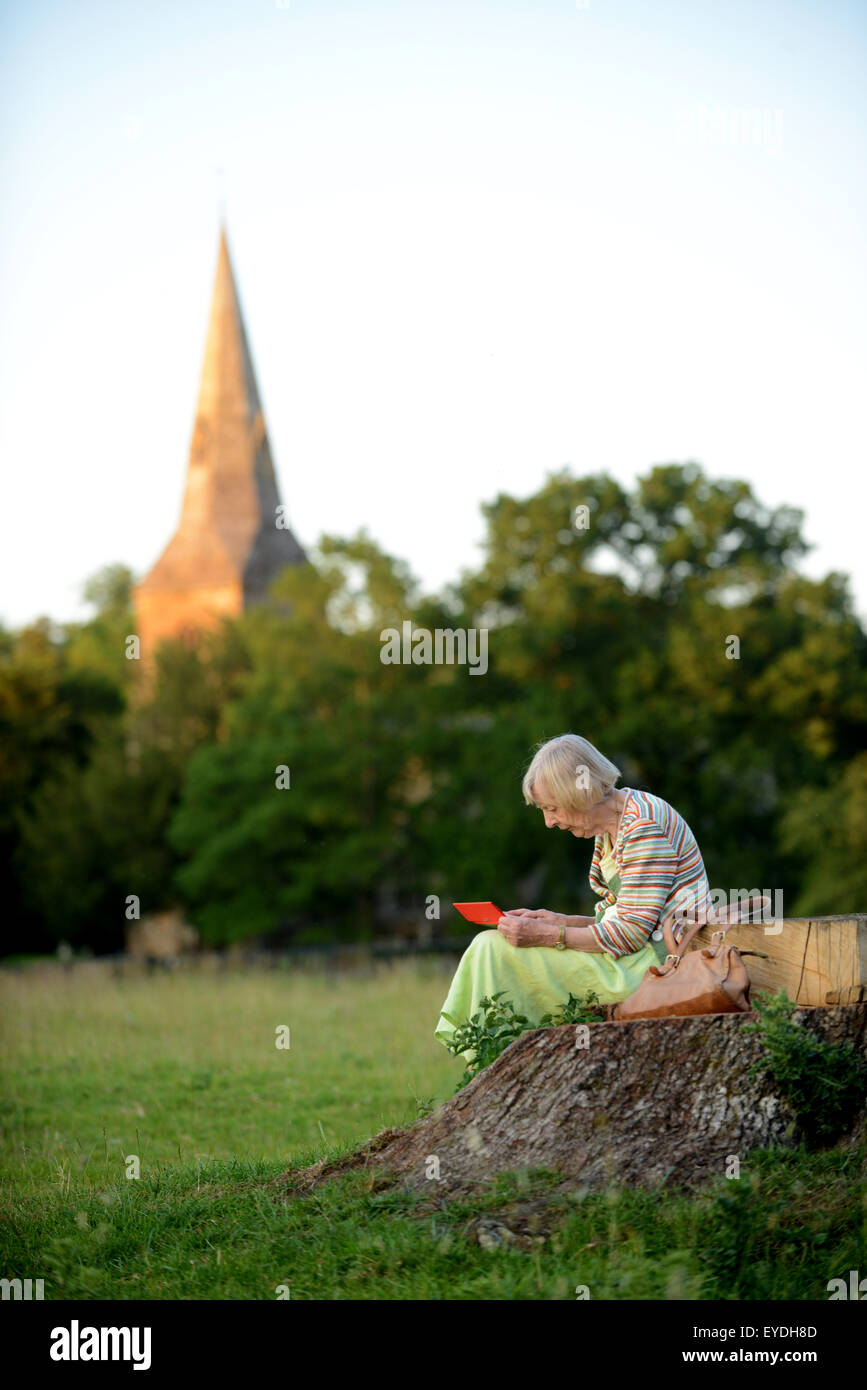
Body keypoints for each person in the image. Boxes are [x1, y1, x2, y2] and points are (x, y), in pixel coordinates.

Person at [435, 732, 729, 1054]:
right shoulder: (614, 824)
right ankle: (499, 1053)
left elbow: (630, 934)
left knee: (495, 953)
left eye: (553, 808)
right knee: (491, 947)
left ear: (580, 793)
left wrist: (547, 935)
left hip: (655, 966)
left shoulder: (643, 826)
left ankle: (496, 1053)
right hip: (636, 953)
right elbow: (626, 916)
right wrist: (559, 920)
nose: (549, 822)